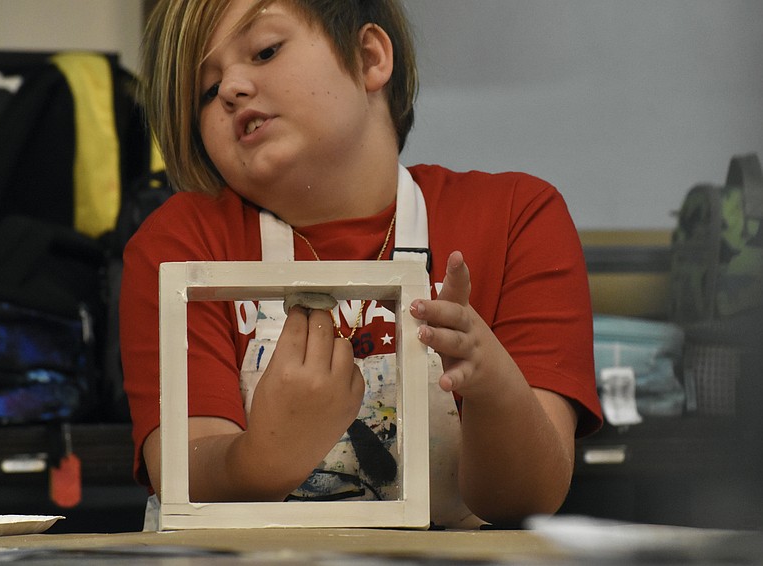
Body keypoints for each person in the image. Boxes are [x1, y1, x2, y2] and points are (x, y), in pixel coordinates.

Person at [121, 0, 602, 528]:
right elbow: (182, 470)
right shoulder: (179, 245)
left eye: (264, 50)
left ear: (370, 57)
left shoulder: (517, 218)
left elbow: (528, 497)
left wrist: (491, 385)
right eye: (207, 91)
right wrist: (263, 458)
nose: (232, 87)